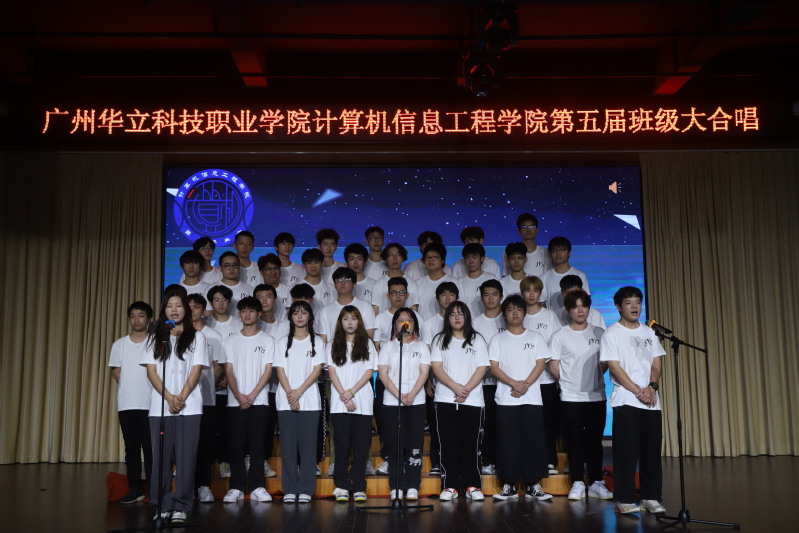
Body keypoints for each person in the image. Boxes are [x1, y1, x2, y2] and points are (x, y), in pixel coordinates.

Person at [139, 290, 209, 524]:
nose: (174, 310)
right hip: (160, 407)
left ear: (186, 309)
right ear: (164, 310)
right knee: (160, 459)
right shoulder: (155, 337)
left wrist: (181, 397)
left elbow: (196, 370)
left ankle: (181, 505)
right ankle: (162, 504)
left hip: (190, 407)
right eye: (170, 306)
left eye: (178, 305)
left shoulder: (197, 337)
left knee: (186, 458)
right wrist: (169, 398)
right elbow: (151, 372)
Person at [600, 286, 666, 515]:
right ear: (619, 307)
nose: (634, 306)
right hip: (626, 400)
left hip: (651, 401)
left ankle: (651, 497)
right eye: (629, 302)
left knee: (651, 452)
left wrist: (652, 387)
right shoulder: (612, 333)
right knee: (626, 452)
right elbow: (614, 367)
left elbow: (656, 363)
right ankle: (625, 499)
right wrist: (639, 391)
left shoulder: (650, 333)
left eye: (638, 301)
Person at [549, 289, 613, 501]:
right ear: (568, 310)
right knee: (574, 441)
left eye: (584, 306)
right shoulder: (560, 335)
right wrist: (568, 383)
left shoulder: (599, 333)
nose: (580, 310)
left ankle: (596, 482)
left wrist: (594, 377)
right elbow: (554, 365)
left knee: (595, 441)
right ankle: (577, 481)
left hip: (596, 396)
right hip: (571, 397)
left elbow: (606, 362)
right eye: (575, 307)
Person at [488, 295, 553, 502]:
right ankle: (509, 484)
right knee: (507, 442)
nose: (514, 313)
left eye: (518, 309)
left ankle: (534, 484)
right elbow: (494, 367)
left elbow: (540, 364)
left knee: (533, 441)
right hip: (506, 398)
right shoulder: (498, 339)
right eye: (510, 309)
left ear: (524, 313)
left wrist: (524, 385)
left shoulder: (535, 337)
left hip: (532, 398)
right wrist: (514, 384)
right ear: (504, 314)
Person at [431, 302, 489, 502]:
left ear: (467, 317)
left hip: (472, 401)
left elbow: (482, 368)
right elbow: (437, 367)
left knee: (471, 445)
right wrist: (455, 387)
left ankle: (473, 485)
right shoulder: (440, 340)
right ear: (447, 318)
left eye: (461, 314)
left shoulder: (477, 339)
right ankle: (450, 486)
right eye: (453, 314)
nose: (457, 318)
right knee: (448, 444)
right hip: (445, 399)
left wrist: (466, 389)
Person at [221, 297, 275, 504]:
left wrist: (251, 395)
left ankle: (257, 486)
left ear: (259, 314)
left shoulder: (267, 340)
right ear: (239, 314)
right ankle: (235, 487)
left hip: (259, 401)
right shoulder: (230, 341)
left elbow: (267, 370)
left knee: (257, 447)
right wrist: (238, 395)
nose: (247, 314)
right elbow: (229, 370)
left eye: (252, 311)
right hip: (235, 402)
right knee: (235, 446)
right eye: (243, 311)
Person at [273, 301, 324, 504]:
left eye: (303, 312)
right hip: (285, 401)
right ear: (290, 317)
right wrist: (290, 394)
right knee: (288, 448)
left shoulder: (317, 342)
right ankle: (290, 489)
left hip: (309, 401)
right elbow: (280, 370)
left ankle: (306, 489)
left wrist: (299, 392)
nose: (300, 316)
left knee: (308, 448)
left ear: (310, 316)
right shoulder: (281, 342)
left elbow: (317, 370)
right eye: (295, 313)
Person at [378, 308, 431, 501]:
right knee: (394, 445)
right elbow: (383, 374)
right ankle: (396, 485)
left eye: (409, 320)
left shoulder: (422, 347)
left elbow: (424, 372)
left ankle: (413, 485)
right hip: (392, 402)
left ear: (414, 324)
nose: (405, 323)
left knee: (415, 444)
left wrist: (412, 394)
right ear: (395, 325)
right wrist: (400, 395)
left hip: (417, 401)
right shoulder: (388, 347)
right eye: (401, 320)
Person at [327, 306, 379, 503]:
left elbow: (369, 371)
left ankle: (358, 486)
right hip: (339, 402)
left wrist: (352, 392)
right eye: (346, 318)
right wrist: (344, 394)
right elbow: (332, 371)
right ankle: (341, 485)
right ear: (340, 322)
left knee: (360, 447)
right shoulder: (332, 344)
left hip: (362, 401)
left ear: (359, 322)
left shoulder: (368, 343)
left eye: (354, 318)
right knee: (341, 446)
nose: (350, 322)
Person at [109, 301, 154, 505]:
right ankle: (135, 489)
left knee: (151, 450)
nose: (136, 320)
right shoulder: (119, 344)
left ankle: (154, 490)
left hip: (151, 404)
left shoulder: (156, 342)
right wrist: (129, 384)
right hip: (127, 404)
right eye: (133, 316)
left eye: (141, 315)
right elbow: (115, 370)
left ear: (149, 319)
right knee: (132, 449)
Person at [520, 275, 563, 475]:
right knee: (525, 423)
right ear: (522, 293)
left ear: (540, 293)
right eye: (527, 290)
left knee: (548, 422)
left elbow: (557, 345)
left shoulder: (550, 316)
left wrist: (557, 375)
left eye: (535, 291)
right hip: (522, 380)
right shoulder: (517, 314)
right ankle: (525, 459)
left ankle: (549, 461)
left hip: (546, 379)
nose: (531, 294)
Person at [187, 294, 223, 503]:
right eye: (189, 307)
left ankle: (203, 485)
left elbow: (218, 365)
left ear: (203, 310)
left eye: (197, 307)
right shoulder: (178, 334)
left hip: (207, 398)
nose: (193, 310)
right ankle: (187, 487)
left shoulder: (213, 335)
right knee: (187, 445)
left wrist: (210, 383)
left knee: (206, 444)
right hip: (184, 400)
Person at [204, 285, 241, 479]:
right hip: (209, 386)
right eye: (216, 300)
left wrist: (227, 378)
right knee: (210, 429)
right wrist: (215, 378)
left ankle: (225, 462)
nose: (220, 303)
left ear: (229, 302)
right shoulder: (205, 324)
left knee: (228, 428)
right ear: (210, 302)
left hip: (232, 386)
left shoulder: (238, 324)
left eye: (224, 300)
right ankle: (208, 463)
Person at [471, 279, 506, 476]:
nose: (490, 298)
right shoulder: (475, 323)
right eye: (486, 295)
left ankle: (504, 462)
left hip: (506, 382)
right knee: (487, 423)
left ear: (501, 296)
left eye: (494, 294)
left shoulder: (508, 319)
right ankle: (488, 460)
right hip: (484, 383)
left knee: (504, 424)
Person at [317, 267, 376, 343]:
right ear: (334, 284)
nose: (342, 283)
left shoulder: (365, 306)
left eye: (347, 280)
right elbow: (323, 340)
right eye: (339, 280)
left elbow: (370, 334)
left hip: (359, 349)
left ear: (354, 284)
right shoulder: (325, 311)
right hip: (334, 349)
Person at [540, 236, 591, 312]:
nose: (558, 253)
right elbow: (541, 303)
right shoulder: (543, 277)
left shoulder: (580, 275)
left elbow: (586, 301)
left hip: (575, 318)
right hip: (552, 318)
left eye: (562, 249)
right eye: (555, 250)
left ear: (569, 252)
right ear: (550, 253)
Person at [415, 243, 463, 319]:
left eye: (435, 257)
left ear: (442, 260)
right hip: (425, 325)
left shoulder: (454, 282)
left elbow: (461, 307)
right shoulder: (418, 283)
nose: (431, 260)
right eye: (428, 257)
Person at [370, 243, 420, 314]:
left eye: (398, 255)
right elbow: (376, 311)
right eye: (391, 255)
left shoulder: (412, 283)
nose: (395, 258)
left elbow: (414, 310)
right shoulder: (378, 284)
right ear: (386, 258)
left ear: (403, 258)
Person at [456, 242, 498, 318]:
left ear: (482, 258)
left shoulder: (490, 278)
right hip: (466, 322)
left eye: (474, 257)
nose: (470, 261)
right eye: (467, 258)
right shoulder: (459, 281)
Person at [210, 251, 254, 317]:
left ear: (239, 267)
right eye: (227, 265)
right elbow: (208, 315)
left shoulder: (250, 290)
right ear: (220, 268)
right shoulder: (211, 289)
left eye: (235, 265)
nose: (231, 268)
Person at [296, 248, 335, 316]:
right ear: (303, 265)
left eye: (316, 262)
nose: (313, 266)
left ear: (322, 264)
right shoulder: (295, 288)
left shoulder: (331, 288)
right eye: (309, 263)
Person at [257, 253, 291, 320]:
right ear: (261, 272)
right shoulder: (255, 292)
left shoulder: (289, 291)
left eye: (276, 268)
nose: (273, 272)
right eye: (269, 269)